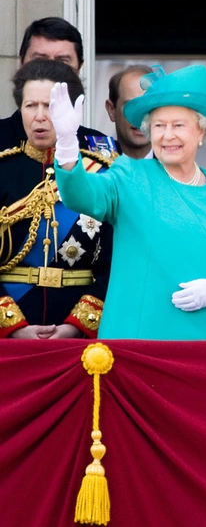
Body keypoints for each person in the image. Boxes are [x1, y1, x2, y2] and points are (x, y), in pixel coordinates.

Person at [50, 64, 206, 340]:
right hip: (138, 347)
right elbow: (80, 195)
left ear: (201, 131)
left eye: (178, 125)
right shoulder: (129, 176)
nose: (168, 135)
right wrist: (67, 144)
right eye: (159, 126)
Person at [0, 59, 113, 339]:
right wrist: (12, 326)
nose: (40, 116)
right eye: (30, 106)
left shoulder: (101, 174)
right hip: (11, 324)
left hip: (79, 327)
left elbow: (116, 261)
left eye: (50, 106)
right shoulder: (3, 169)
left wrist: (77, 325)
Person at [0, 17, 108, 152]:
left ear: (79, 67)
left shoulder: (100, 149)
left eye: (62, 62)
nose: (50, 71)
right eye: (39, 60)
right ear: (21, 62)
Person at [105, 64, 153, 158]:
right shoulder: (92, 169)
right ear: (112, 110)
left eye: (148, 106)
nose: (140, 117)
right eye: (131, 106)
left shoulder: (180, 169)